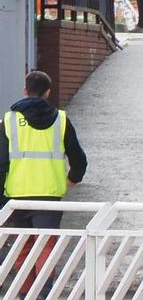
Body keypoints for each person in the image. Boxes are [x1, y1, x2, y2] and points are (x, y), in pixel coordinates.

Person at [1, 70, 88, 228]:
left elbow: (1, 163)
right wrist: (73, 178)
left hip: (17, 195)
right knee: (46, 249)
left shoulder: (9, 120)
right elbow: (78, 158)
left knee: (20, 250)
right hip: (50, 196)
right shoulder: (61, 120)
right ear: (48, 92)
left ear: (25, 91)